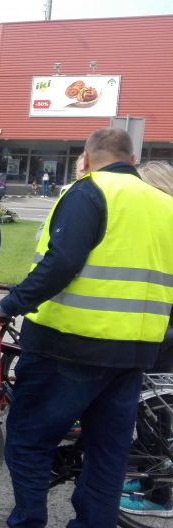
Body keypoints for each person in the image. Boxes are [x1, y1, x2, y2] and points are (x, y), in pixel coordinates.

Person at [0, 128, 173, 527]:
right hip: (134, 350)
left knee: (29, 440)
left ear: (86, 157)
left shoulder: (89, 191)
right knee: (107, 452)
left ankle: (28, 522)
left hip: (68, 344)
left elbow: (61, 263)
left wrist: (6, 305)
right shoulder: (163, 204)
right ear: (134, 159)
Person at [119, 160, 173, 516]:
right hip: (163, 326)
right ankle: (151, 478)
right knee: (154, 405)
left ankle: (160, 498)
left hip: (163, 329)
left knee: (156, 408)